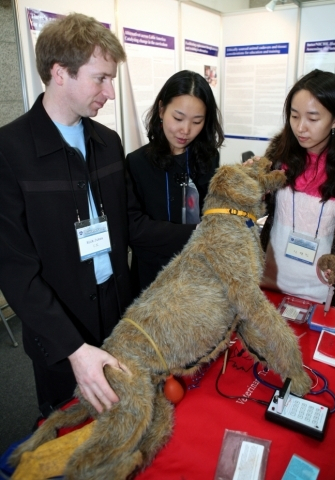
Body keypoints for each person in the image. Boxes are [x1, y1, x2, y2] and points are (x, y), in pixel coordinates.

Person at [0, 13, 192, 415]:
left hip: (118, 312)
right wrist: (72, 348)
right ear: (59, 73)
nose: (110, 91)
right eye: (100, 78)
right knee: (67, 433)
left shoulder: (107, 141)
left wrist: (201, 233)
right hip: (59, 330)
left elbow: (132, 225)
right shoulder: (10, 151)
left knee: (125, 420)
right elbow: (15, 271)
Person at [259, 69, 335, 310]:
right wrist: (251, 187)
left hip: (321, 289)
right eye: (294, 116)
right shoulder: (278, 155)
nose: (300, 128)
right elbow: (263, 209)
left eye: (313, 119)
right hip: (269, 280)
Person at [126, 70, 224, 292]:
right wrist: (197, 232)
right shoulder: (137, 163)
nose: (186, 130)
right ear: (161, 110)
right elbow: (136, 230)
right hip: (153, 278)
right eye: (178, 118)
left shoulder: (208, 158)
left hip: (199, 274)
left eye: (197, 121)